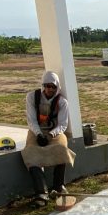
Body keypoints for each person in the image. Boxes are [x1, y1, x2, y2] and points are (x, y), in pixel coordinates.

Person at [21, 71, 75, 207]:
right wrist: (39, 134)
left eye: (53, 87)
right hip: (36, 130)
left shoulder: (62, 102)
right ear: (43, 85)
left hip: (54, 132)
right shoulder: (32, 97)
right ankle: (41, 193)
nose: (50, 89)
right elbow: (31, 120)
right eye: (47, 86)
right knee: (30, 152)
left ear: (57, 87)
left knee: (61, 149)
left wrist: (51, 135)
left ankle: (58, 186)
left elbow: (62, 124)